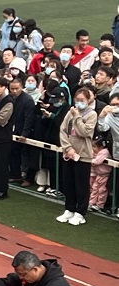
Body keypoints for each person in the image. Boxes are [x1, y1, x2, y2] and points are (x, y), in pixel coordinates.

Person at [57, 88, 96, 226]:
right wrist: (68, 148)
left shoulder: (92, 114)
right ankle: (69, 209)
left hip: (83, 155)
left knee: (81, 185)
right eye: (77, 100)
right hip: (69, 154)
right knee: (68, 183)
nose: (79, 102)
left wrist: (77, 117)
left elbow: (84, 132)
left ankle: (80, 212)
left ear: (88, 100)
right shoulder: (70, 111)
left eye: (82, 100)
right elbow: (63, 130)